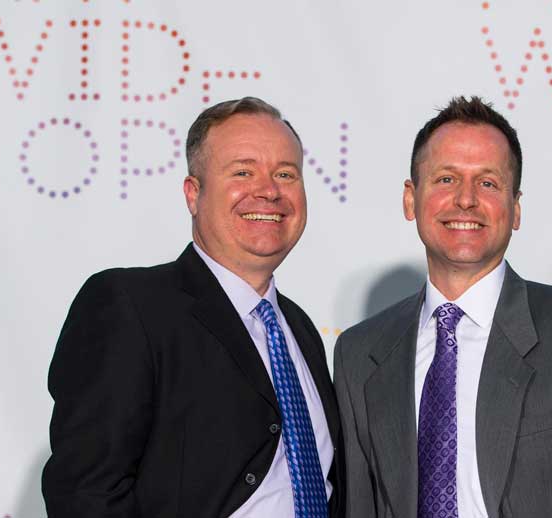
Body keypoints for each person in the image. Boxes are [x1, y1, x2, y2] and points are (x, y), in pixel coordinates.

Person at [333, 96, 552, 518]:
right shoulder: (359, 353)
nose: (466, 200)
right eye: (446, 180)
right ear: (410, 199)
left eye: (488, 183)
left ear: (516, 208)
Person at [42, 97, 343, 518]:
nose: (269, 191)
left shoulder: (299, 329)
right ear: (193, 193)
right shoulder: (129, 306)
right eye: (243, 172)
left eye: (285, 174)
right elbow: (86, 492)